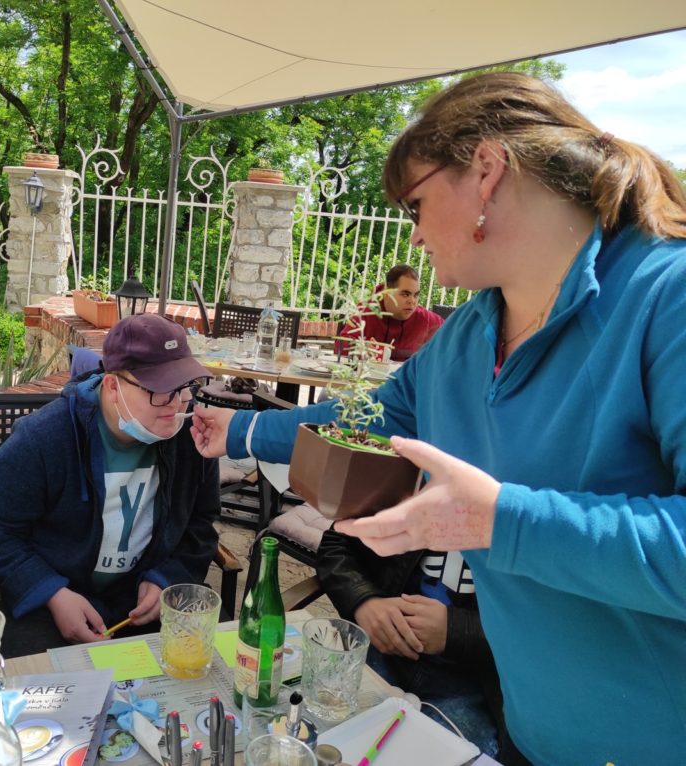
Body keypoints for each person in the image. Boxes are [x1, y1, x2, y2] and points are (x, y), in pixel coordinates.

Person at [191, 71, 686, 765]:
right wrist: (238, 432)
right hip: (532, 731)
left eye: (415, 203)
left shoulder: (666, 296)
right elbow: (365, 419)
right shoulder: (467, 333)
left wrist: (500, 522)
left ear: (486, 171)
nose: (415, 235)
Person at [0, 313, 220, 656]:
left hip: (144, 600)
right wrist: (51, 593)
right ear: (113, 387)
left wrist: (168, 577)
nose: (176, 405)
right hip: (56, 601)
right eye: (161, 390)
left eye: (184, 387)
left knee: (208, 667)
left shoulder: (191, 436)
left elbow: (200, 524)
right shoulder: (43, 440)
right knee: (47, 683)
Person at [316, 530, 503, 758]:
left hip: (473, 684)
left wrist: (456, 630)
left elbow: (539, 633)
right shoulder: (411, 504)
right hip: (382, 655)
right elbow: (337, 544)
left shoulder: (528, 525)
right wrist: (364, 601)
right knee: (317, 734)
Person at [333, 263, 442, 360]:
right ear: (387, 292)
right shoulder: (367, 310)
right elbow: (340, 345)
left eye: (416, 295)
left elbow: (451, 339)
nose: (412, 301)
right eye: (405, 294)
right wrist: (360, 348)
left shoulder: (424, 318)